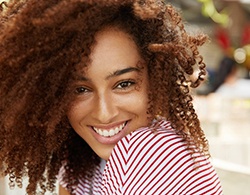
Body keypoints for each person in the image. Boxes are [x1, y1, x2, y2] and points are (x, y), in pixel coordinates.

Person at [0, 0, 223, 194]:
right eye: (80, 89)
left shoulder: (150, 151)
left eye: (124, 84)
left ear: (155, 79)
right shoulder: (78, 158)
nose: (104, 113)